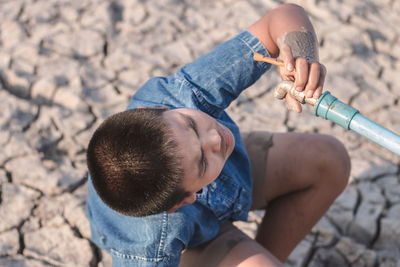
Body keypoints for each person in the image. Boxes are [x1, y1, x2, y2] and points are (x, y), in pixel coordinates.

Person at [86, 3, 351, 266]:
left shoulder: (179, 97)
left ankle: (267, 255)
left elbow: (280, 17)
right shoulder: (150, 246)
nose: (213, 138)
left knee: (329, 159)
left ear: (156, 108)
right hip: (190, 244)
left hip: (232, 172)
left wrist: (302, 55)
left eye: (191, 126)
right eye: (202, 159)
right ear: (184, 201)